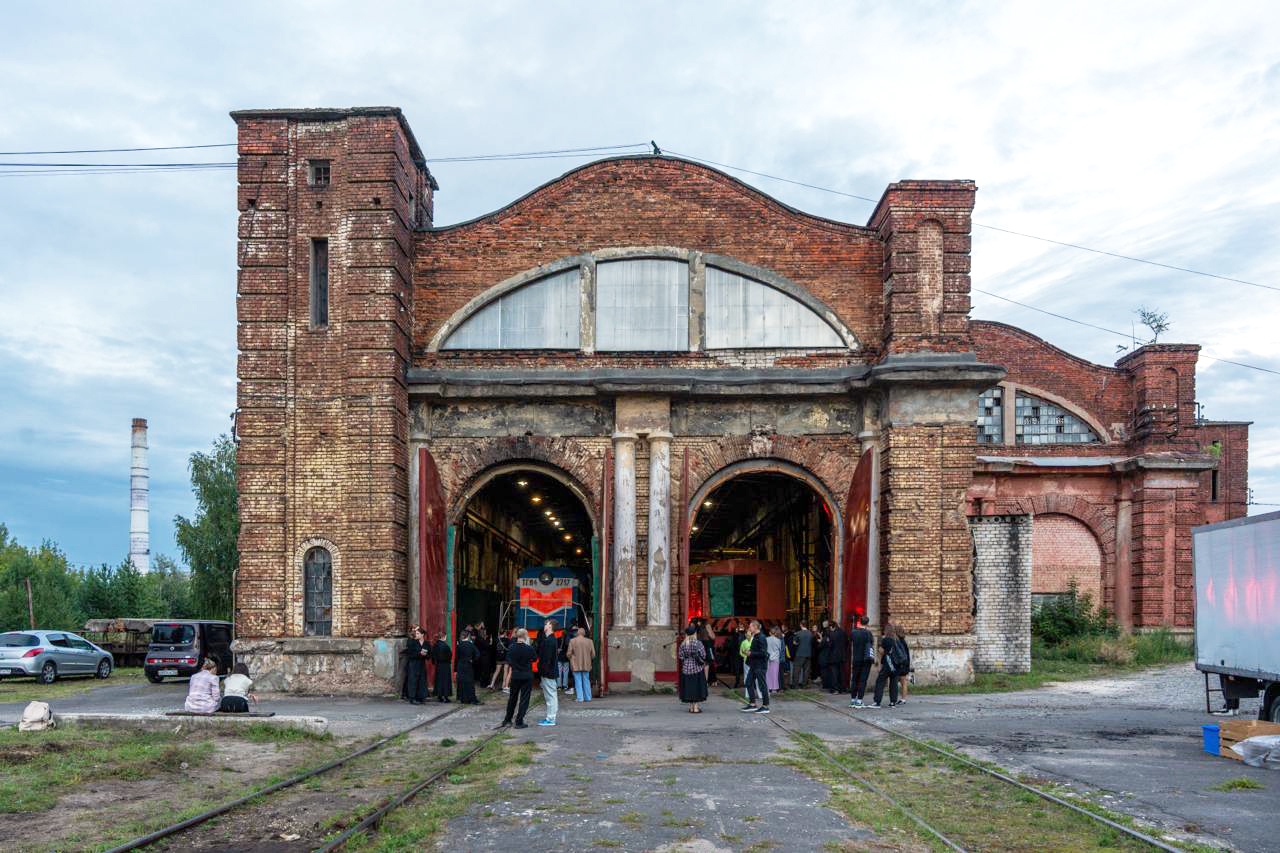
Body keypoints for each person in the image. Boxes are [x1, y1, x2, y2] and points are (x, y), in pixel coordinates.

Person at [502, 628, 537, 728]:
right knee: (524, 699)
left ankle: (507, 719)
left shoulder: (511, 647)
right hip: (527, 676)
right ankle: (519, 721)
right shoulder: (529, 648)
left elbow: (509, 660)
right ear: (526, 636)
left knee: (512, 698)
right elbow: (534, 658)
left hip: (515, 675)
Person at [740, 620, 771, 714]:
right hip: (754, 665)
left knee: (762, 685)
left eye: (750, 627)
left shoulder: (761, 637)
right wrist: (749, 651)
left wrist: (751, 653)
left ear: (755, 627)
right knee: (748, 682)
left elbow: (763, 653)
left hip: (760, 665)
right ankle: (752, 704)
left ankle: (765, 706)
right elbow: (757, 650)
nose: (749, 628)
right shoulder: (756, 637)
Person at [870, 624, 903, 709]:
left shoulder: (885, 640)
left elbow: (881, 651)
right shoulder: (897, 640)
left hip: (887, 664)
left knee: (880, 682)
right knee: (894, 683)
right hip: (896, 665)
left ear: (886, 630)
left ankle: (877, 702)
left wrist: (879, 663)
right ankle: (893, 702)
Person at [678, 625, 709, 713]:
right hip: (697, 668)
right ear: (694, 633)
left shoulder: (683, 644)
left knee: (689, 688)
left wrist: (687, 659)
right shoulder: (698, 643)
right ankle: (696, 708)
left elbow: (680, 656)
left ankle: (691, 707)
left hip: (686, 669)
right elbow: (703, 655)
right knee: (696, 688)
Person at [537, 619, 560, 727]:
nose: (544, 625)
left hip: (548, 673)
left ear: (550, 626)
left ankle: (551, 719)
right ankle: (550, 717)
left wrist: (543, 672)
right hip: (549, 672)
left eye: (546, 624)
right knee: (551, 695)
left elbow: (547, 659)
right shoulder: (551, 639)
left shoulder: (550, 641)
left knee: (550, 696)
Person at [848, 614, 875, 707]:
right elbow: (871, 644)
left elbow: (850, 641)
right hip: (866, 659)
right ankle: (859, 700)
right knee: (863, 680)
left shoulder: (854, 632)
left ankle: (852, 700)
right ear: (867, 623)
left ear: (860, 622)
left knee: (854, 679)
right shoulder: (868, 633)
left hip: (856, 658)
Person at [402, 626, 428, 704]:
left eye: (418, 633)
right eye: (416, 633)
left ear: (422, 635)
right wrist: (419, 653)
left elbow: (429, 654)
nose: (416, 635)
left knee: (421, 680)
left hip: (421, 664)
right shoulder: (412, 642)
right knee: (413, 680)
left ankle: (420, 697)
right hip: (413, 664)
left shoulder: (425, 643)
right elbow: (410, 654)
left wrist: (425, 654)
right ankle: (412, 698)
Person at [568, 626, 595, 702]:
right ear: (584, 634)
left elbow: (569, 653)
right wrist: (588, 658)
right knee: (586, 680)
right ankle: (588, 697)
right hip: (586, 664)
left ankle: (580, 698)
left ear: (577, 633)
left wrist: (572, 658)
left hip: (576, 664)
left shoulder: (572, 641)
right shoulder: (590, 641)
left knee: (578, 681)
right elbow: (593, 655)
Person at [455, 629, 481, 705]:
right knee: (469, 682)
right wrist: (473, 660)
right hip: (468, 665)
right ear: (468, 636)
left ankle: (463, 698)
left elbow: (457, 657)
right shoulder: (471, 644)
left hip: (460, 665)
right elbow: (478, 654)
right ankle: (471, 698)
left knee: (462, 682)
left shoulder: (459, 645)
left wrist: (455, 669)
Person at [825, 618, 847, 694]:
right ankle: (842, 688)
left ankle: (835, 689)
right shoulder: (843, 632)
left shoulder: (831, 634)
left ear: (831, 627)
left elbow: (829, 645)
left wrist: (827, 642)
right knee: (841, 672)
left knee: (834, 673)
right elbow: (846, 643)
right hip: (842, 656)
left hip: (833, 657)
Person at [431, 632, 453, 703]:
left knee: (439, 680)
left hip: (438, 665)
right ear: (444, 637)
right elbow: (449, 655)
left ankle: (439, 696)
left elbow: (433, 655)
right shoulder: (445, 646)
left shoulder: (435, 645)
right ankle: (446, 697)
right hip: (445, 665)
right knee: (445, 681)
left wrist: (434, 662)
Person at [791, 623, 813, 688]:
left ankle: (795, 685)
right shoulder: (810, 633)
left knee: (797, 670)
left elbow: (794, 643)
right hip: (808, 654)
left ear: (801, 625)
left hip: (799, 654)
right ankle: (804, 685)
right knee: (806, 670)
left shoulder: (798, 633)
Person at [895, 625, 912, 704]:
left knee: (903, 681)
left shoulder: (899, 641)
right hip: (905, 663)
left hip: (902, 664)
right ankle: (903, 698)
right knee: (903, 681)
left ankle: (903, 699)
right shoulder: (903, 640)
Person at [765, 626, 783, 692]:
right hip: (775, 658)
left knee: (768, 674)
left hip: (768, 658)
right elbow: (780, 649)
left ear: (770, 633)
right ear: (775, 633)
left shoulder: (766, 639)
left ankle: (768, 687)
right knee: (775, 674)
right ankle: (774, 688)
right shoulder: (778, 640)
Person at [559, 621, 575, 695]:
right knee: (565, 672)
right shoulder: (570, 638)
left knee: (559, 671)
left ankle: (558, 685)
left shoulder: (558, 639)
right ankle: (565, 685)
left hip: (559, 657)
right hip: (566, 657)